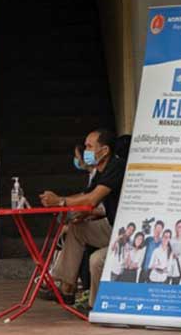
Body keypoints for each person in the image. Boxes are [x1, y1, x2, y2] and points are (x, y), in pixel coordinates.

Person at [38, 128, 126, 309]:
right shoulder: (101, 170)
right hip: (112, 227)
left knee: (95, 259)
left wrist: (60, 201)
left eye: (89, 146)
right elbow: (85, 195)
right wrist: (75, 210)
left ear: (105, 150)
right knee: (76, 228)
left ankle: (82, 298)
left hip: (124, 232)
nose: (86, 151)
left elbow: (93, 199)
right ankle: (66, 287)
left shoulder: (116, 166)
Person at [169, 219, 181, 285]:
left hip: (178, 271)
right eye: (177, 227)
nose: (179, 229)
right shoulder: (171, 240)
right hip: (168, 269)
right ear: (175, 228)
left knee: (174, 290)